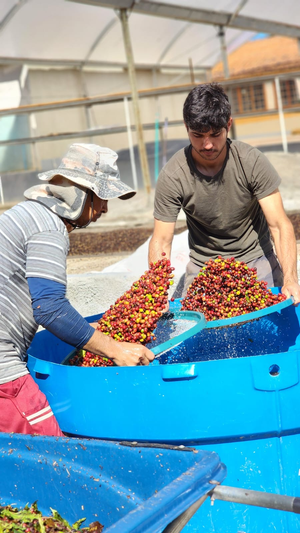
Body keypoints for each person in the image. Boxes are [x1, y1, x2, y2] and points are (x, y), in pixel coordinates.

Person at [0, 143, 154, 437]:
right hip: (3, 373)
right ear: (81, 194)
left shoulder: (26, 214)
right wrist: (115, 349)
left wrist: (89, 330)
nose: (105, 208)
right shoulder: (49, 228)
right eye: (102, 198)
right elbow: (49, 308)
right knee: (52, 457)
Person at [149, 82, 300, 305]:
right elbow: (161, 240)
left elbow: (279, 225)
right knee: (199, 327)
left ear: (228, 124)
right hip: (205, 266)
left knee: (270, 321)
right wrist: (156, 293)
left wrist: (291, 278)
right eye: (198, 135)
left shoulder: (251, 162)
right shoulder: (173, 175)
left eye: (215, 134)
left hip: (255, 259)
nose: (207, 144)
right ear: (186, 127)